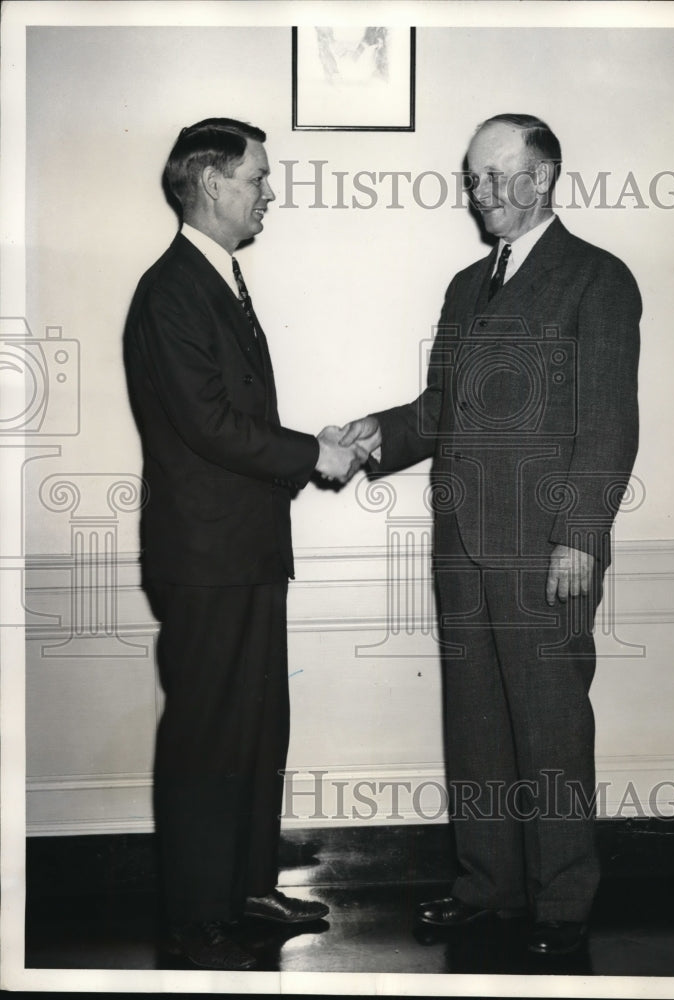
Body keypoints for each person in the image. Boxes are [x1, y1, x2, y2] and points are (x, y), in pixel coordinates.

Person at [341, 113, 641, 956]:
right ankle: (488, 888)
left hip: (546, 547)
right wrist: (377, 432)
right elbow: (440, 413)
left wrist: (578, 535)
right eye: (473, 178)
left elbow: (608, 425)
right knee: (474, 725)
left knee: (549, 728)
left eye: (498, 175)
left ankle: (559, 905)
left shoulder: (597, 280)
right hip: (460, 545)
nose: (481, 193)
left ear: (542, 178)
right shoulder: (465, 285)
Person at [124, 118, 366, 970]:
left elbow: (234, 423)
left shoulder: (213, 280)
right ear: (212, 183)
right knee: (207, 734)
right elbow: (212, 426)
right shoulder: (172, 291)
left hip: (243, 549)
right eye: (259, 177)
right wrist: (315, 453)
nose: (269, 192)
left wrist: (311, 447)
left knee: (257, 727)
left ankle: (247, 889)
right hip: (207, 558)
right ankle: (199, 915)